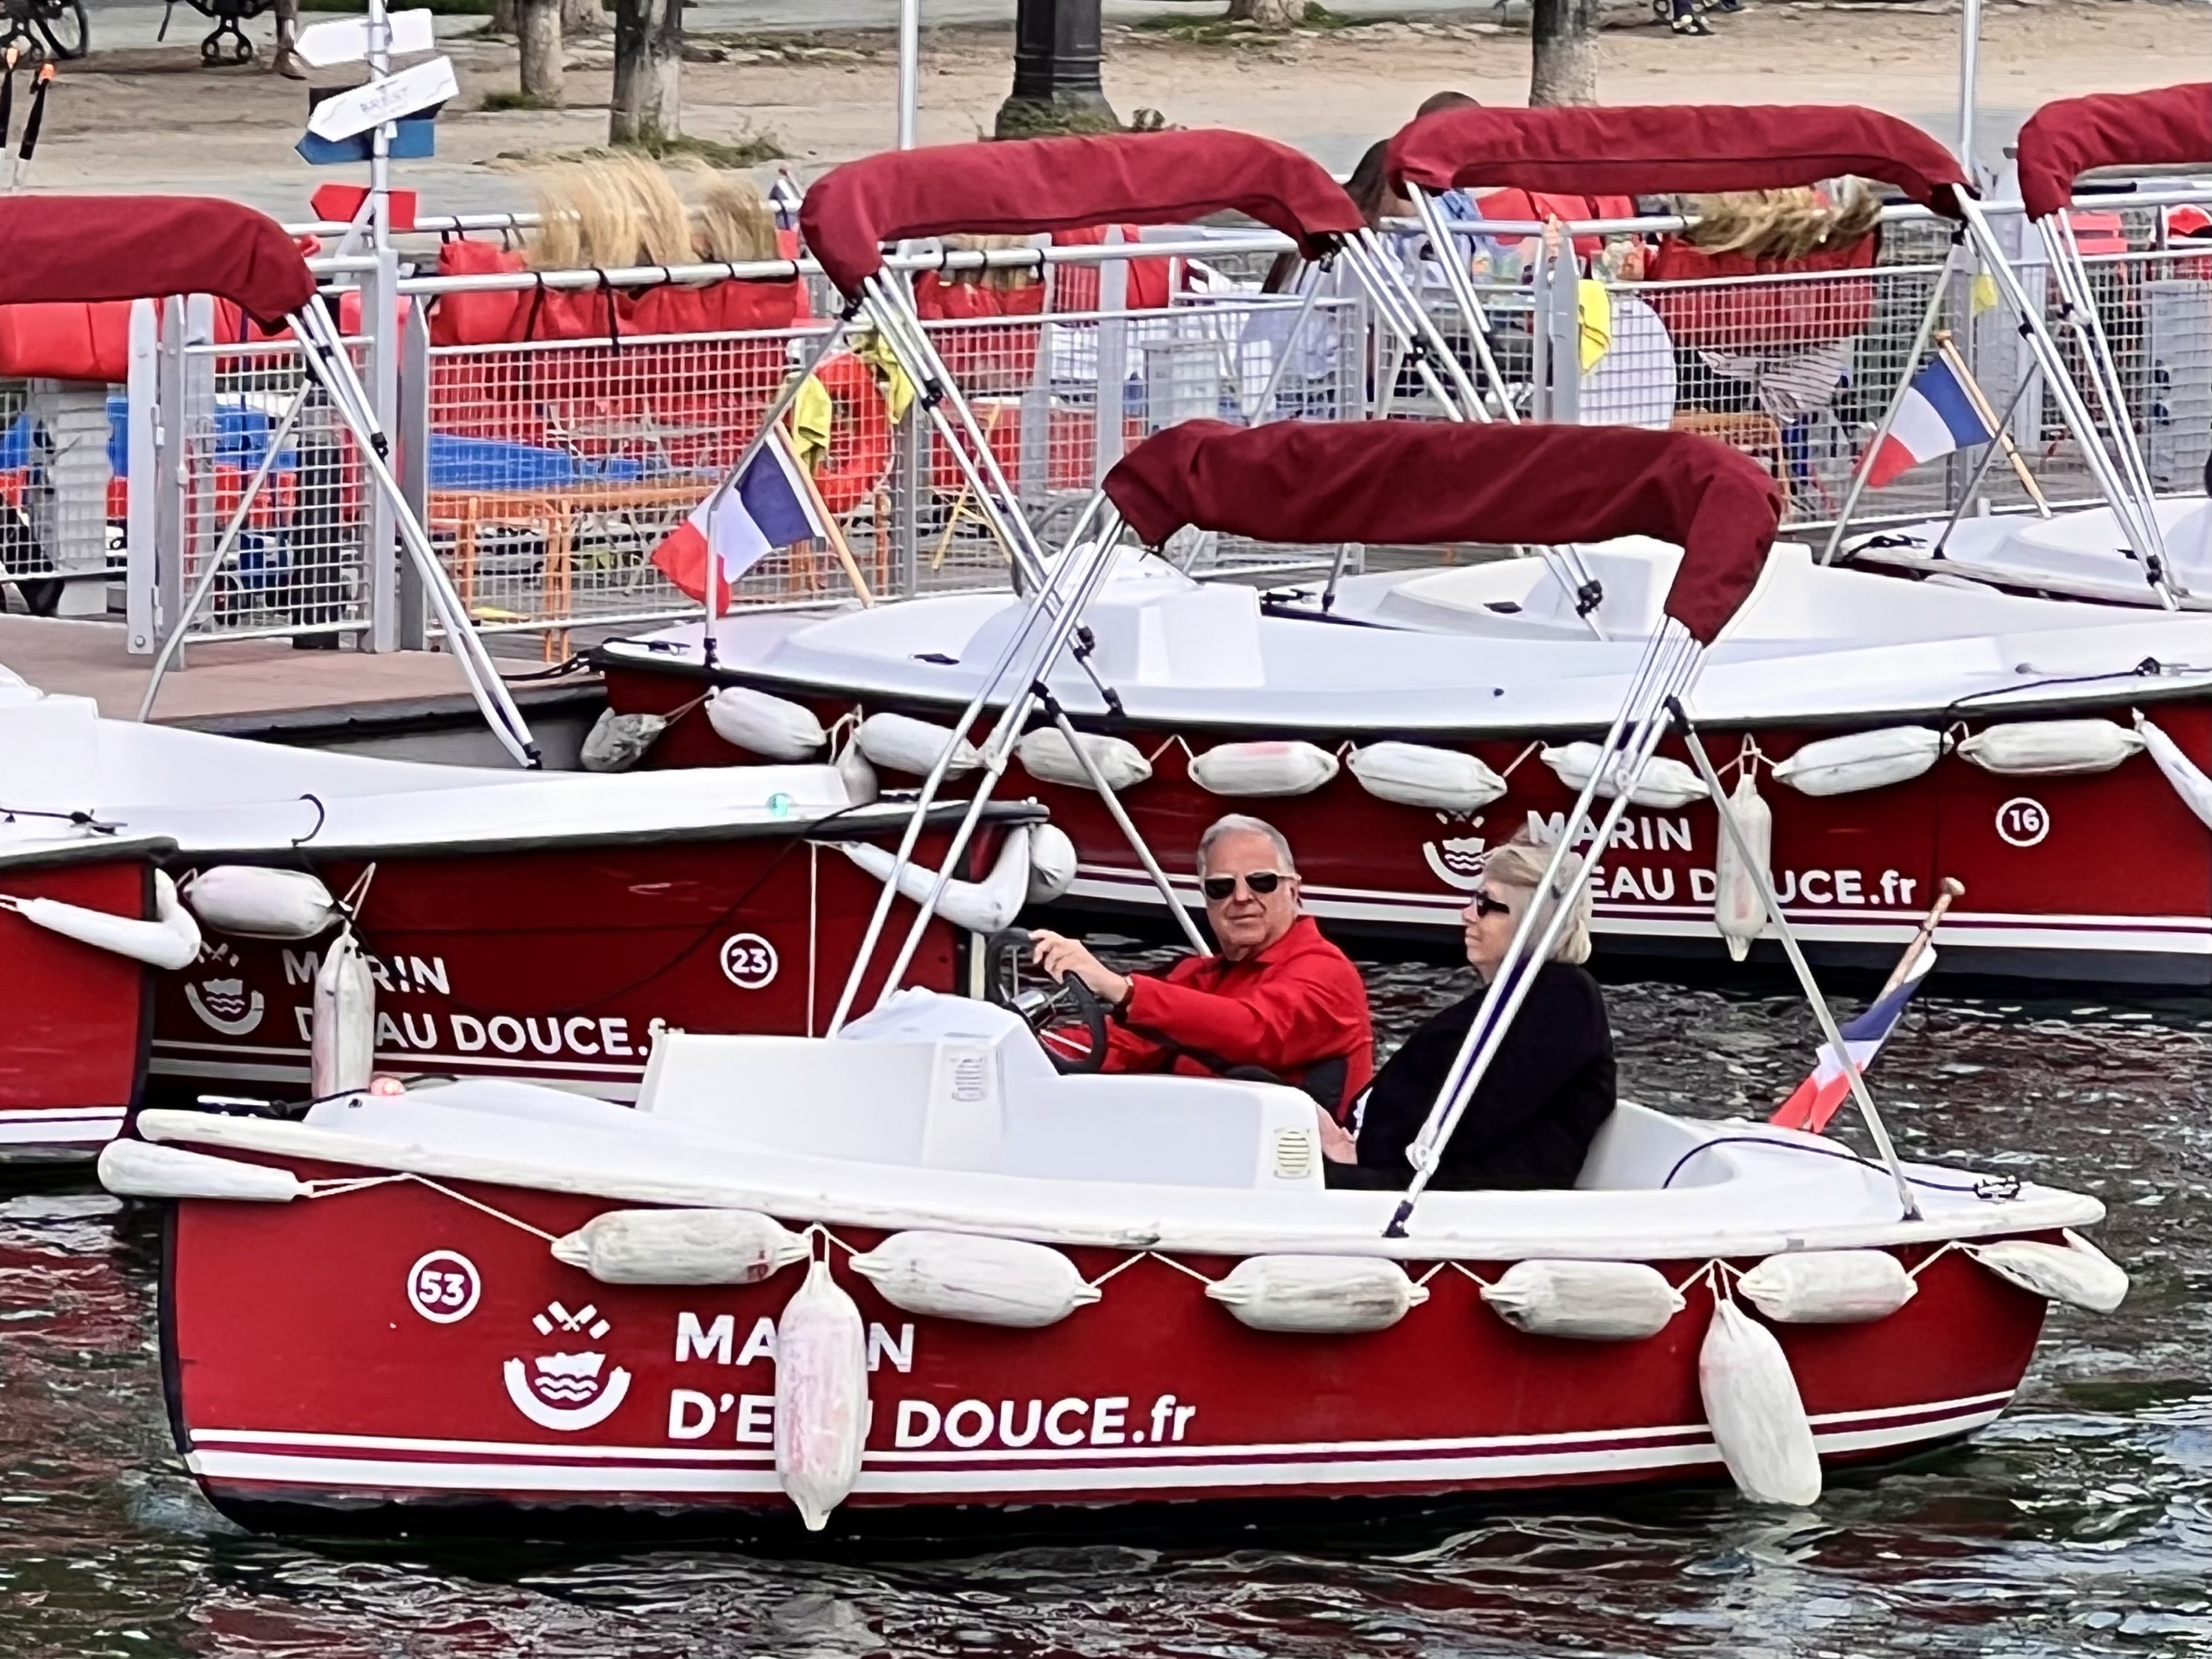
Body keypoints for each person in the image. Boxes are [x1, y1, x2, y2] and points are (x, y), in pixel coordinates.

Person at [1320, 833, 1614, 1190]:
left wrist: (1363, 1152)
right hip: (1407, 1169)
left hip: (1455, 1193)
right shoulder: (1511, 999)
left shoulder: (1565, 999)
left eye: (1486, 904)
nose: (1467, 914)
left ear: (1531, 922)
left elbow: (1482, 1112)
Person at [1028, 815, 1374, 1114]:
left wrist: (1123, 989)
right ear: (1206, 898)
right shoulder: (1198, 977)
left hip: (1301, 1163)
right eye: (1221, 887)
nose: (1242, 897)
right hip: (1194, 1146)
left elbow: (1257, 1033)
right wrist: (1025, 1047)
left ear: (1294, 891)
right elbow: (1117, 1045)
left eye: (1262, 881)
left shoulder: (1327, 971)